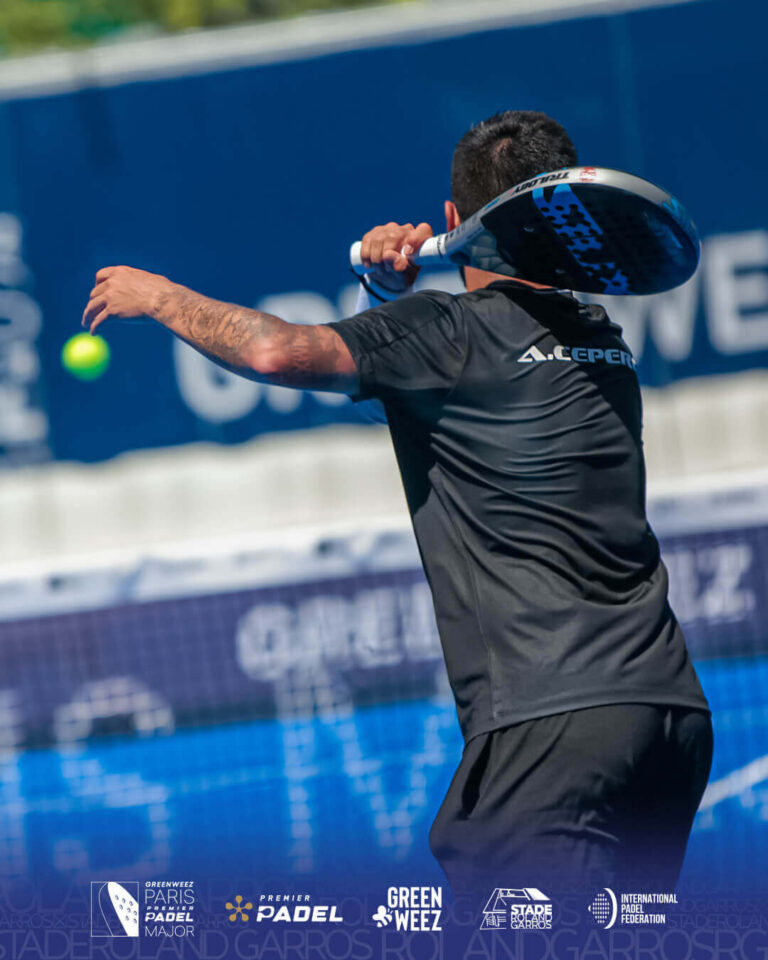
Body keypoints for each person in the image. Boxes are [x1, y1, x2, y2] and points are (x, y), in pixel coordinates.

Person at [82, 110, 712, 897]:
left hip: (552, 726)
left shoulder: (448, 335)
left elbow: (277, 352)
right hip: (666, 719)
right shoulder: (602, 343)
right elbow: (442, 402)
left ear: (453, 217)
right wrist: (381, 294)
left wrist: (162, 296)